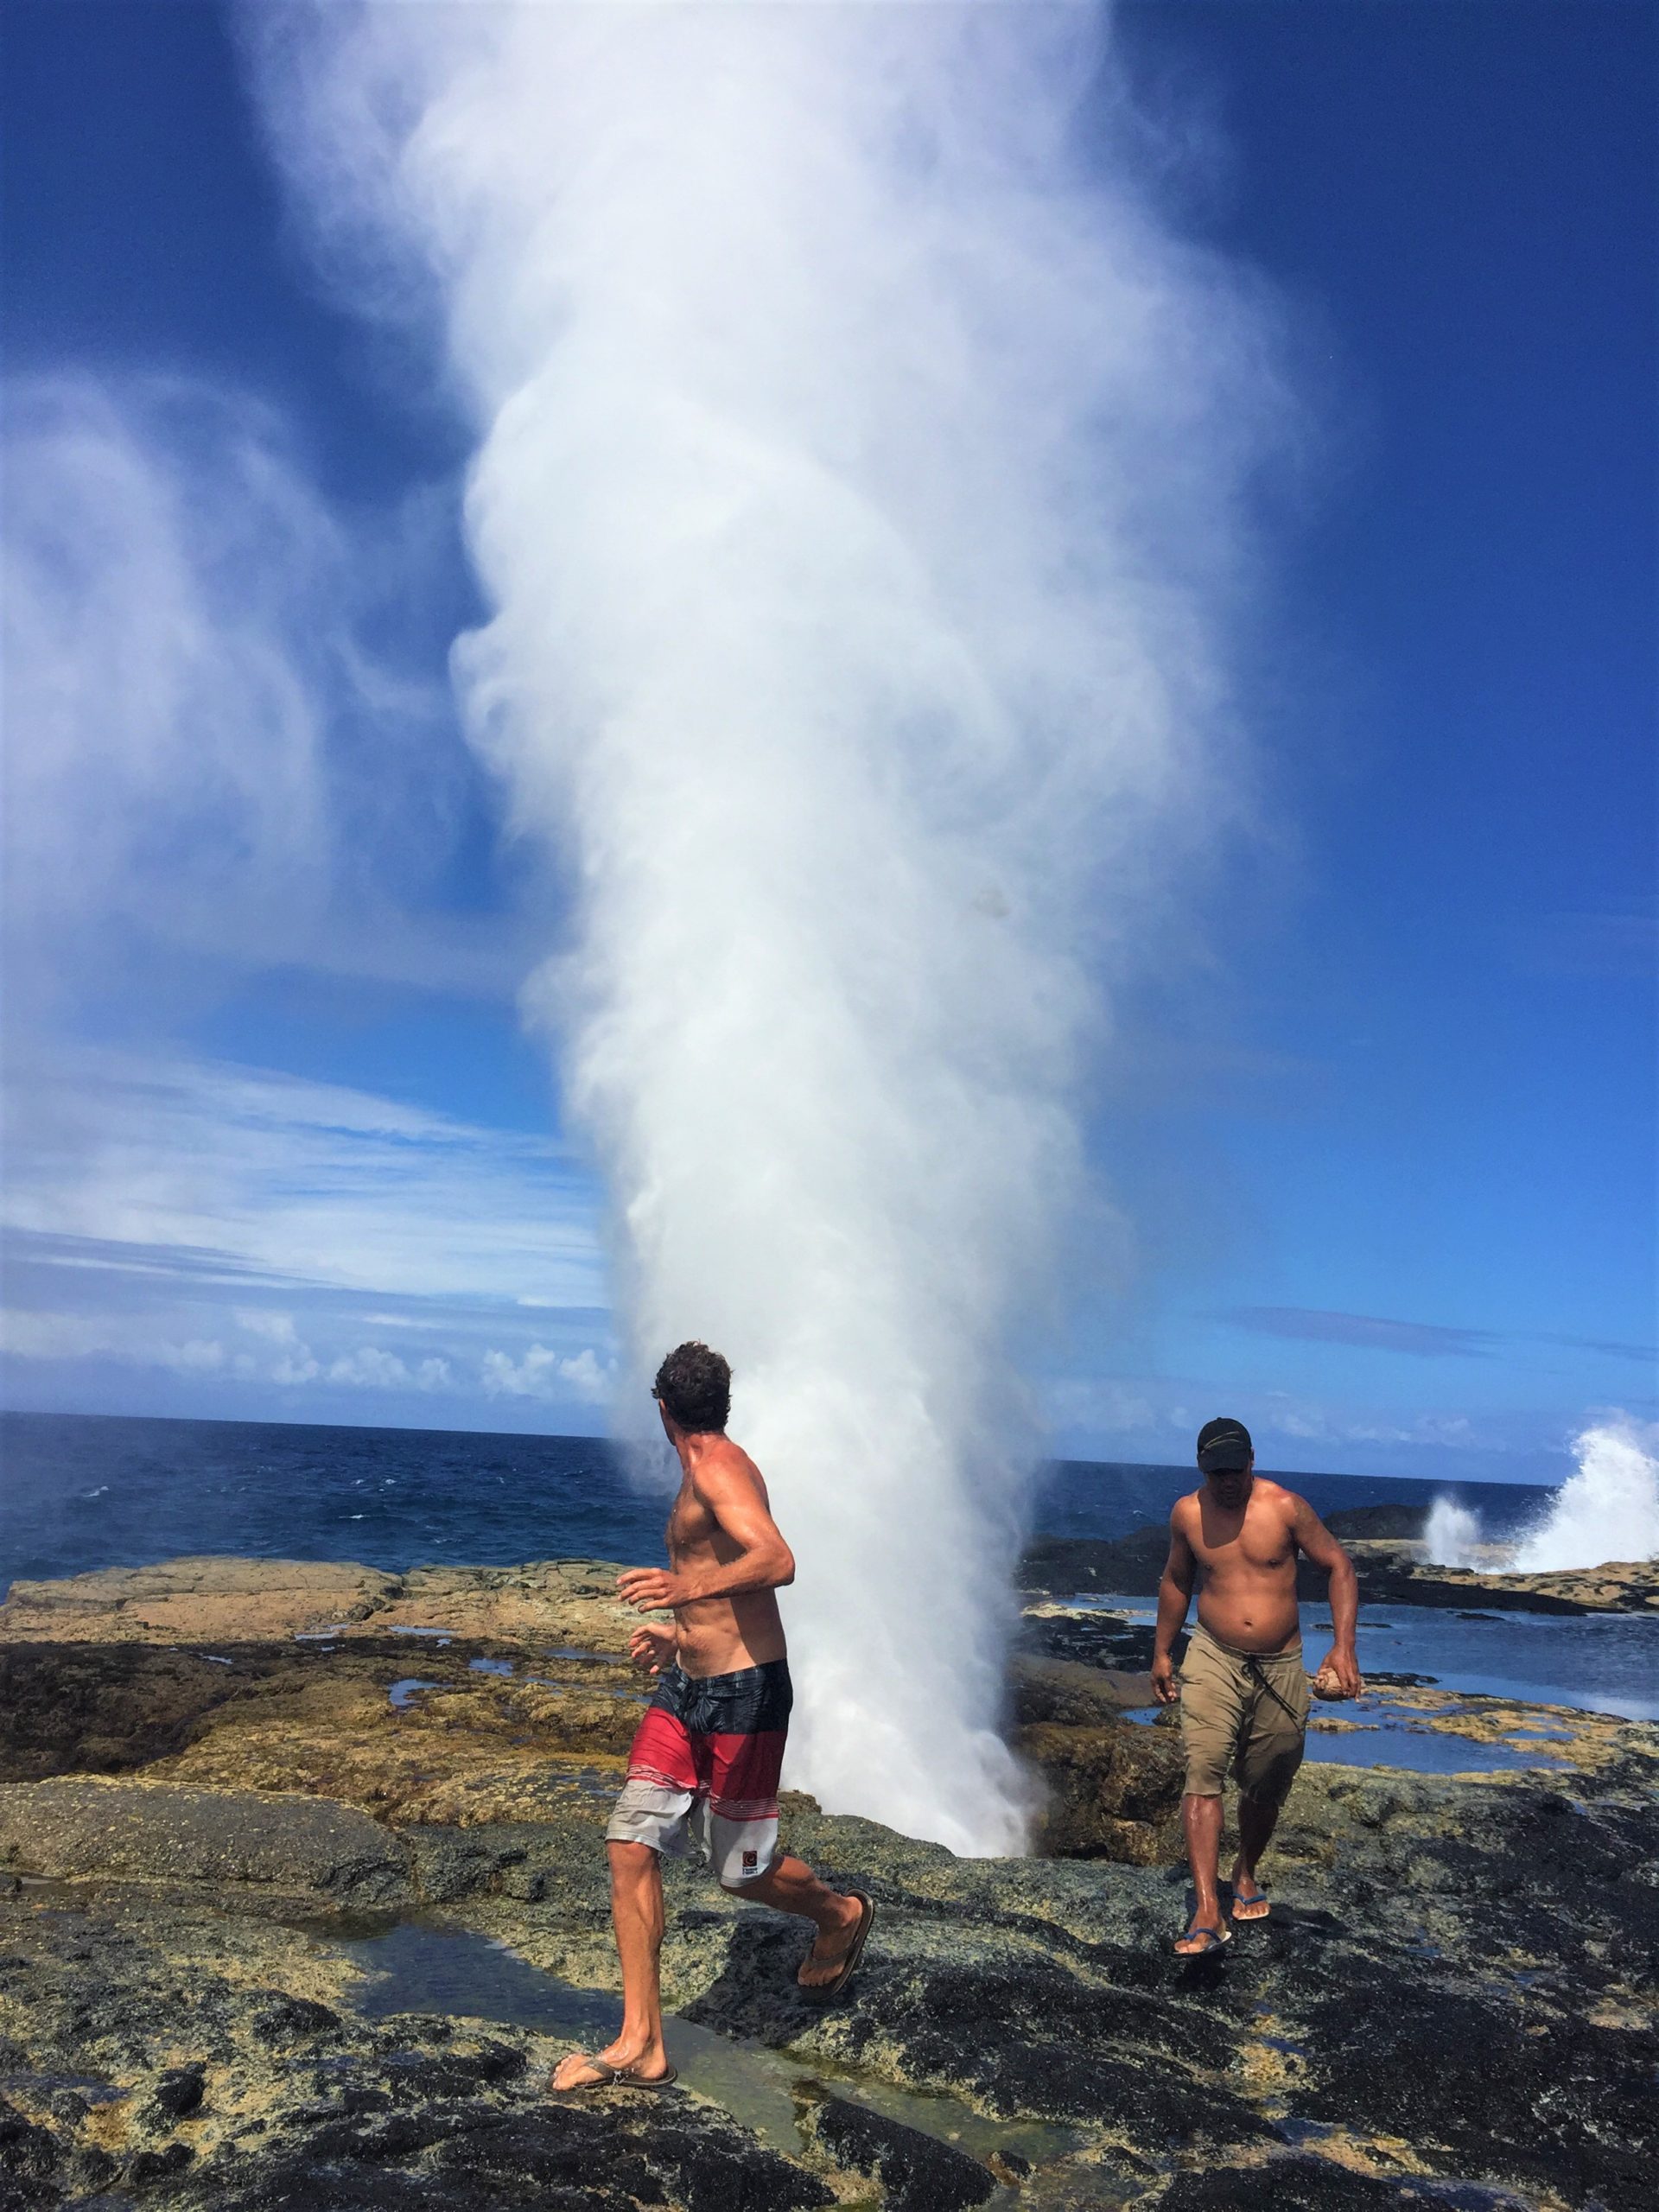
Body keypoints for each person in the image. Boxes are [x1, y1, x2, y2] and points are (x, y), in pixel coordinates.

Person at [550, 1340, 874, 2092]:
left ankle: (840, 1914)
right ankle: (641, 2044)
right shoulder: (704, 1473)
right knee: (631, 1842)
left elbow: (778, 1560)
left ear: (662, 1410)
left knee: (739, 1873)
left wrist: (679, 1593)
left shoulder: (722, 1470)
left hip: (745, 1695)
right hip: (687, 1690)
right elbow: (723, 1585)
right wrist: (679, 1633)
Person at [1152, 1416, 1360, 1957]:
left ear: (1252, 1461)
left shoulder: (1285, 1508)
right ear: (1203, 1467)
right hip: (1213, 1653)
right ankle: (1205, 1910)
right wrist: (1161, 1653)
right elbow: (1177, 1580)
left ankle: (1245, 1871)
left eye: (1235, 1468)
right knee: (1204, 1768)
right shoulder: (1188, 1514)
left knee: (1270, 1777)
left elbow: (1337, 1565)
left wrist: (1342, 1646)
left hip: (1281, 1661)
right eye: (1216, 1470)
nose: (1227, 1480)